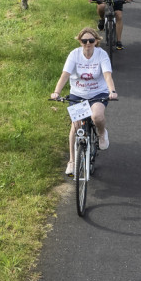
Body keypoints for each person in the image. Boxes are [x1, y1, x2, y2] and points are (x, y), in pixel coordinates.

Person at [51, 27, 118, 176]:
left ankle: (101, 133)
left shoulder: (101, 54)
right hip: (78, 94)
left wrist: (112, 91)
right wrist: (57, 92)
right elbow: (65, 75)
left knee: (97, 116)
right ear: (80, 42)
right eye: (84, 41)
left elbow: (107, 75)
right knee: (75, 126)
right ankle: (72, 162)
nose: (88, 43)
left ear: (96, 42)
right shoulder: (74, 55)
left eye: (91, 41)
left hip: (97, 93)